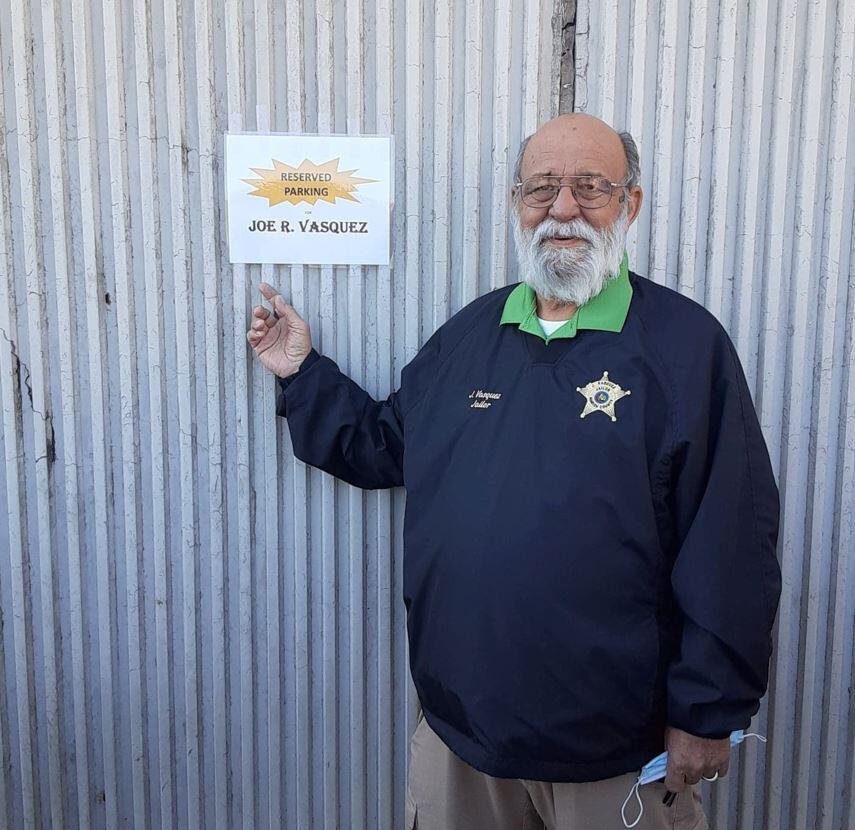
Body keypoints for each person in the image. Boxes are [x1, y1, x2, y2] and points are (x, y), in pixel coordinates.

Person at [246, 113, 782, 830]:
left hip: (613, 751)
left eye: (590, 187)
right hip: (462, 735)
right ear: (515, 202)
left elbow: (731, 545)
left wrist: (708, 712)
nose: (562, 209)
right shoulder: (472, 336)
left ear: (631, 203)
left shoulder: (685, 349)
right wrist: (301, 372)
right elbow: (383, 445)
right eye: (542, 188)